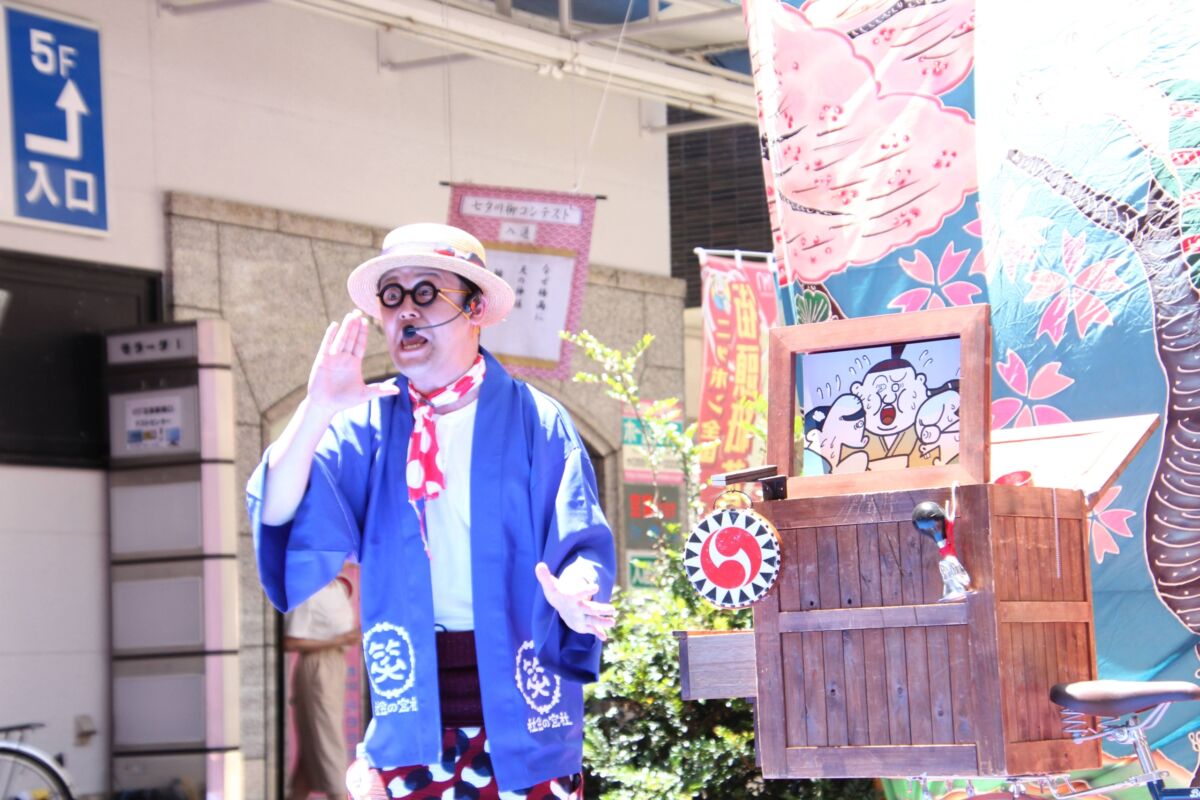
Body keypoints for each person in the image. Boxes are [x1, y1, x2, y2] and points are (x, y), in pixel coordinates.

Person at [246, 223, 617, 800]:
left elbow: (581, 541)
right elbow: (277, 510)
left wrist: (576, 592)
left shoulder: (537, 421)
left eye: (426, 292)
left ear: (475, 308)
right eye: (392, 296)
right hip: (410, 717)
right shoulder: (367, 425)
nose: (406, 312)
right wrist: (317, 408)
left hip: (523, 714)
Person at [284, 576, 360, 800]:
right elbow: (290, 641)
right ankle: (340, 794)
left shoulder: (337, 587)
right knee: (329, 743)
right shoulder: (308, 591)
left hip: (336, 664)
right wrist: (338, 640)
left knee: (311, 753)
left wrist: (348, 638)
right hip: (317, 666)